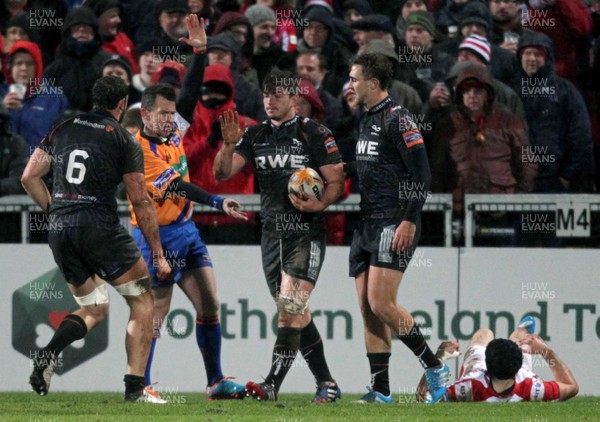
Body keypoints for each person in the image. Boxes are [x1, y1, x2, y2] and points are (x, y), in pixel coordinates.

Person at [22, 75, 171, 402]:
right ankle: (135, 390)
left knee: (94, 307)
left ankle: (48, 355)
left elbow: (29, 176)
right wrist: (158, 252)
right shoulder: (123, 138)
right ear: (121, 105)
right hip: (100, 228)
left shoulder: (62, 127)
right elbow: (140, 200)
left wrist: (55, 209)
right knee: (143, 300)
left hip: (61, 231)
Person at [131, 15, 248, 401]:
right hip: (155, 237)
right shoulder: (141, 150)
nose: (170, 120)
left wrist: (198, 51)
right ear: (145, 115)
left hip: (186, 230)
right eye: (162, 115)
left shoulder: (172, 130)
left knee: (210, 307)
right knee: (155, 314)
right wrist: (217, 200)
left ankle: (214, 382)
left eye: (171, 115)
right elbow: (178, 184)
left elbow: (190, 93)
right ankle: (142, 385)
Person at [215, 69, 344, 402]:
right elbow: (221, 173)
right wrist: (228, 145)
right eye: (265, 96)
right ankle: (327, 383)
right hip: (271, 234)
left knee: (290, 307)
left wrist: (320, 204)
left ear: (293, 98)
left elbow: (336, 181)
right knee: (295, 313)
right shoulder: (255, 135)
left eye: (277, 95)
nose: (270, 101)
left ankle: (272, 383)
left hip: (306, 233)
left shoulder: (315, 133)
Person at [346, 52, 446, 403]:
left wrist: (408, 219)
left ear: (373, 84)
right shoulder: (367, 119)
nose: (350, 84)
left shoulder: (399, 119)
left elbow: (423, 175)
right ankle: (382, 390)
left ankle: (433, 367)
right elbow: (369, 165)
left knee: (382, 303)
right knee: (366, 307)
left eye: (355, 78)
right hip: (366, 222)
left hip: (394, 219)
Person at [423, 320, 579, 403]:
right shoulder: (533, 388)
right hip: (516, 380)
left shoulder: (469, 385)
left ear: (486, 366)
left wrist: (440, 357)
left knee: (484, 333)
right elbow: (572, 387)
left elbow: (430, 397)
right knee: (520, 337)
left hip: (476, 371)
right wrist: (546, 351)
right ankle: (522, 330)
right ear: (518, 368)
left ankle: (519, 333)